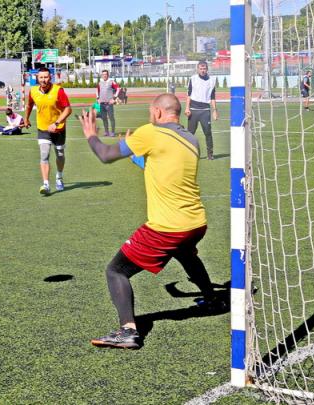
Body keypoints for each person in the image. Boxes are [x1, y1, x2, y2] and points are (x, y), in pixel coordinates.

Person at [78, 93, 219, 349]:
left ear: (157, 112)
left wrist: (91, 134)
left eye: (149, 112)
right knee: (185, 253)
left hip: (168, 227)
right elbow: (164, 168)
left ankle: (128, 331)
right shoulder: (191, 139)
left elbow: (106, 155)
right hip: (196, 223)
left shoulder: (150, 133)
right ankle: (211, 299)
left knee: (116, 271)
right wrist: (136, 157)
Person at [24, 66, 72, 195]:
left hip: (59, 129)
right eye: (41, 77)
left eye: (46, 77)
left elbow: (68, 109)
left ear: (50, 77)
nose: (43, 80)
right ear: (37, 78)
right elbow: (29, 105)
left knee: (60, 154)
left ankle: (59, 177)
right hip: (43, 128)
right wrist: (26, 119)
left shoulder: (58, 91)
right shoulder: (33, 91)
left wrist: (56, 123)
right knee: (44, 155)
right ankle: (46, 184)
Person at [185, 61, 219, 160]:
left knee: (208, 132)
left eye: (204, 69)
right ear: (198, 69)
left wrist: (215, 110)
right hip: (193, 109)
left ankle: (210, 154)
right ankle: (188, 153)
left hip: (205, 110)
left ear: (207, 69)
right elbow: (189, 95)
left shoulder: (212, 80)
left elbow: (212, 97)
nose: (203, 70)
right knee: (190, 133)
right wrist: (187, 108)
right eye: (201, 69)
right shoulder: (193, 79)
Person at [96, 70, 120, 137]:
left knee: (111, 118)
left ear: (108, 75)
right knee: (104, 118)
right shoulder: (100, 82)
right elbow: (97, 91)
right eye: (103, 74)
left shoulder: (111, 81)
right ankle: (106, 131)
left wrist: (114, 99)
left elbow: (118, 89)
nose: (104, 75)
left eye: (105, 74)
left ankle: (112, 132)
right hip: (102, 104)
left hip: (109, 104)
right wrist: (98, 98)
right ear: (102, 75)